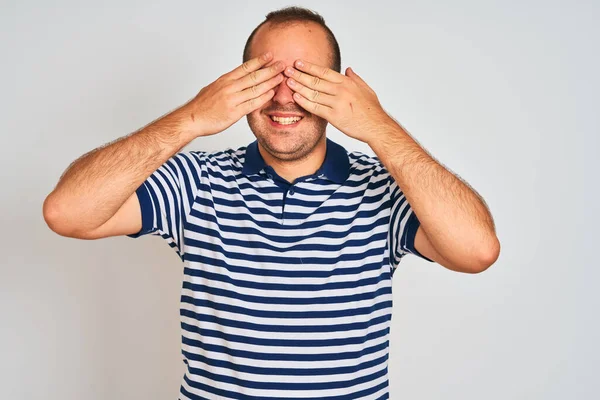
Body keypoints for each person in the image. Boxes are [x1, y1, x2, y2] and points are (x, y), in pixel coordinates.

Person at [43, 6, 500, 400]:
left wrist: (379, 127)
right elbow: (67, 212)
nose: (284, 96)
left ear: (339, 90)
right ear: (239, 83)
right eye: (267, 77)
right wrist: (192, 118)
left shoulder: (383, 188)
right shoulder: (196, 182)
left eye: (305, 78)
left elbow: (477, 251)